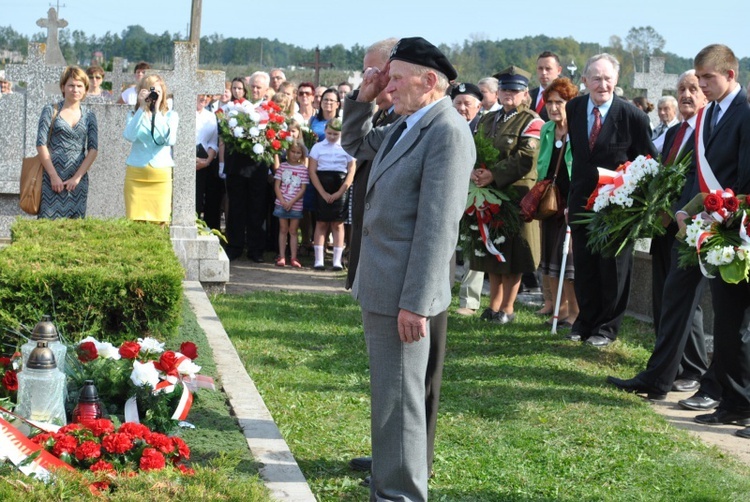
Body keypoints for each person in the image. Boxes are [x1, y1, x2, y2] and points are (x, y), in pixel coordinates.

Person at [342, 36, 474, 501]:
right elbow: (356, 142)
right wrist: (363, 95)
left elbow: (438, 228)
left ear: (430, 81)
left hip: (403, 293)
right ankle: (388, 485)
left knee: (401, 403)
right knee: (389, 401)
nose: (387, 88)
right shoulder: (405, 123)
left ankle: (399, 496)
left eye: (396, 79)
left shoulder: (446, 132)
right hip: (383, 284)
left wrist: (416, 304)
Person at [607, 69, 711, 400]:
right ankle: (676, 366)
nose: (686, 94)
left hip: (688, 225)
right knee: (666, 297)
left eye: (693, 88)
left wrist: (677, 211)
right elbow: (662, 173)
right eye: (681, 88)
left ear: (706, 93)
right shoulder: (676, 131)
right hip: (663, 226)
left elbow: (698, 179)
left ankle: (691, 370)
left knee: (685, 302)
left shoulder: (705, 132)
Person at [673, 45, 750, 434]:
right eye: (698, 78)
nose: (702, 85)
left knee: (741, 325)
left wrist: (722, 214)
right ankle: (733, 402)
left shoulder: (744, 113)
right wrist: (693, 210)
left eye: (708, 78)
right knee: (727, 319)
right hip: (718, 229)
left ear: (730, 75)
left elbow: (745, 174)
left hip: (737, 228)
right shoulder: (711, 114)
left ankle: (742, 399)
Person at [565, 54, 657, 347]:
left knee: (613, 269)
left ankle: (607, 327)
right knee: (585, 266)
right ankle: (585, 321)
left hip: (617, 207)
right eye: (595, 78)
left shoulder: (633, 116)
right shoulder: (575, 107)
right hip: (581, 202)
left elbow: (648, 161)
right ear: (585, 80)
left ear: (616, 80)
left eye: (607, 78)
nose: (602, 84)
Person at [470, 66, 544, 324]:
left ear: (525, 94)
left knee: (512, 254)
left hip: (517, 194)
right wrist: (476, 171)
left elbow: (526, 158)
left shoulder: (533, 121)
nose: (508, 94)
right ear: (497, 92)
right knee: (493, 250)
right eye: (504, 89)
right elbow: (475, 149)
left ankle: (508, 308)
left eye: (515, 90)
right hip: (489, 194)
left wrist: (493, 174)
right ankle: (493, 306)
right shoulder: (488, 119)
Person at [536, 77, 579, 327]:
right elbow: (543, 164)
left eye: (559, 102)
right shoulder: (546, 130)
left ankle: (575, 313)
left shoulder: (578, 129)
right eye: (550, 102)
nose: (553, 107)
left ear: (570, 103)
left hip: (571, 200)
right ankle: (559, 311)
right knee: (550, 258)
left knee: (569, 260)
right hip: (550, 201)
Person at [36, 66, 98, 219]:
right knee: (47, 226)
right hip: (51, 176)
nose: (75, 89)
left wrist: (77, 177)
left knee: (75, 229)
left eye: (79, 86)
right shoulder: (50, 110)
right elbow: (40, 143)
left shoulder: (90, 115)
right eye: (71, 85)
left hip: (78, 180)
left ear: (85, 89)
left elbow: (93, 149)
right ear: (63, 87)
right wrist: (53, 176)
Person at [221, 77, 269, 262]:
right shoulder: (233, 107)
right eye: (253, 87)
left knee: (257, 207)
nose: (255, 90)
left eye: (259, 87)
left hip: (257, 166)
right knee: (236, 207)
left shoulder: (268, 108)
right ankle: (234, 246)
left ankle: (256, 249)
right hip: (236, 164)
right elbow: (224, 132)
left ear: (265, 89)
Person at [450, 82, 485, 317]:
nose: (462, 108)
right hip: (448, 192)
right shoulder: (445, 126)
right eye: (458, 103)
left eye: (467, 103)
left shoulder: (485, 128)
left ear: (479, 106)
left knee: (474, 245)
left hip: (476, 193)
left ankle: (469, 300)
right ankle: (440, 292)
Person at [123, 74, 179, 224]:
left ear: (164, 95)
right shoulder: (134, 115)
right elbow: (129, 136)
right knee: (135, 222)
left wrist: (156, 111)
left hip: (160, 176)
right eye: (149, 91)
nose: (153, 95)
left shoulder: (170, 116)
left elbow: (169, 140)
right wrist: (142, 107)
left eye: (157, 92)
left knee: (161, 221)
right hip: (136, 175)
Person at [308, 118, 355, 271]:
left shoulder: (347, 147)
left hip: (340, 186)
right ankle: (319, 260)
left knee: (338, 223)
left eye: (335, 134)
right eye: (329, 133)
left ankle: (337, 261)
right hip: (322, 184)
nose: (332, 137)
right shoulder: (317, 147)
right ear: (325, 130)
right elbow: (312, 171)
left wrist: (341, 191)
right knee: (321, 222)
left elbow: (351, 170)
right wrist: (322, 191)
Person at [273, 140, 309, 268]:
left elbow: (303, 188)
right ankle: (282, 256)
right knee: (283, 229)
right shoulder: (282, 167)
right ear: (288, 152)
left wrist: (291, 202)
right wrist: (282, 201)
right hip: (281, 203)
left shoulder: (303, 169)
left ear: (302, 155)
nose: (295, 155)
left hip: (296, 204)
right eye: (293, 151)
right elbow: (277, 185)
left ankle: (294, 257)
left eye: (298, 153)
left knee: (293, 231)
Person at [195, 94, 222, 231]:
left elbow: (213, 142)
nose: (204, 98)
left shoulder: (211, 116)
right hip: (184, 159)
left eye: (208, 96)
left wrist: (207, 161)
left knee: (200, 199)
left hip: (204, 161)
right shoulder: (178, 112)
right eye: (202, 95)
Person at [529, 51, 563, 121]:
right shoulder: (528, 95)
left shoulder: (565, 96)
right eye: (540, 68)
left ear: (559, 70)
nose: (543, 73)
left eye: (548, 69)